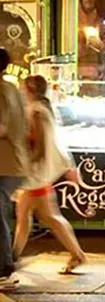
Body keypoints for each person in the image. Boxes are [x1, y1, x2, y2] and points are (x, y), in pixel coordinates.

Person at [12, 76, 86, 275]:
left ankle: (77, 254)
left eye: (22, 88)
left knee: (47, 216)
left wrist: (27, 164)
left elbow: (38, 142)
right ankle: (11, 258)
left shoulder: (35, 111)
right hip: (37, 173)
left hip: (35, 174)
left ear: (30, 89)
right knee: (30, 216)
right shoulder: (42, 109)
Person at [0, 48, 27, 290]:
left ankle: (5, 270)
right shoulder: (13, 89)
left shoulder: (2, 91)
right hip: (15, 163)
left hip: (4, 162)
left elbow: (2, 128)